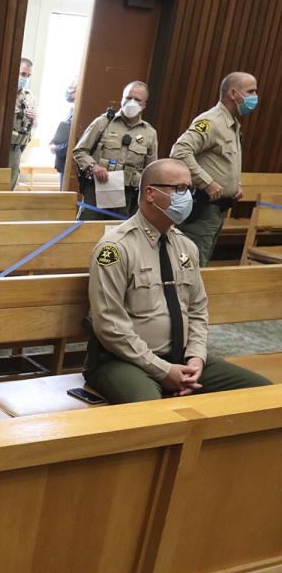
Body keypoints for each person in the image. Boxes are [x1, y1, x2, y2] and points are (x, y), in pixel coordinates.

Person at [84, 158, 271, 404]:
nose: (189, 198)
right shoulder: (116, 249)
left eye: (190, 189)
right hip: (122, 360)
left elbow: (197, 309)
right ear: (150, 193)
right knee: (155, 415)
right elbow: (110, 325)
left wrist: (195, 358)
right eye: (180, 189)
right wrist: (161, 370)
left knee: (264, 394)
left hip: (180, 358)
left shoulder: (186, 246)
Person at [170, 71, 257, 266]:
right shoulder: (211, 121)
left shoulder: (232, 123)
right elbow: (180, 150)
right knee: (190, 264)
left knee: (201, 262)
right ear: (233, 94)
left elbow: (225, 160)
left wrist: (236, 185)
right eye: (250, 92)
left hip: (219, 208)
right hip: (202, 208)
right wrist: (207, 182)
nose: (255, 97)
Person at [72, 81, 158, 220]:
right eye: (128, 98)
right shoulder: (103, 123)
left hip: (128, 195)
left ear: (143, 105)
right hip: (98, 190)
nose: (131, 102)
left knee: (117, 236)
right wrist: (93, 166)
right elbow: (79, 151)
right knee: (86, 231)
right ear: (122, 99)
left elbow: (151, 170)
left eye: (137, 100)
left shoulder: (150, 133)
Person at [9, 57, 38, 190]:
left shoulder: (29, 97)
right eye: (23, 74)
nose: (25, 78)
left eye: (29, 75)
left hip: (16, 148)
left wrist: (35, 119)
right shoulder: (5, 94)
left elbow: (33, 126)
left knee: (11, 185)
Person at [49, 78, 76, 189]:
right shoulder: (72, 110)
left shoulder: (78, 113)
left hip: (70, 162)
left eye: (71, 88)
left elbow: (74, 141)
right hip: (63, 162)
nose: (68, 91)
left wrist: (57, 148)